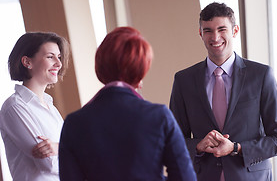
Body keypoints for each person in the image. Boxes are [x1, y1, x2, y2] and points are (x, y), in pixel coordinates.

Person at [169, 2, 277, 181]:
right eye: (208, 30)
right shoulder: (183, 80)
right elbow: (173, 140)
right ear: (200, 34)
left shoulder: (261, 76)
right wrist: (198, 146)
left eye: (222, 29)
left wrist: (236, 148)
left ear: (235, 31)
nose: (215, 37)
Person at [58, 27, 196, 181]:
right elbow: (185, 178)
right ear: (141, 71)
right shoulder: (159, 116)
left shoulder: (74, 123)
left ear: (99, 67)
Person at [0, 32, 70, 181]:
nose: (59, 63)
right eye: (50, 57)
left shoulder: (50, 107)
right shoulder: (14, 107)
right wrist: (72, 150)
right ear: (27, 62)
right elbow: (49, 164)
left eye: (59, 57)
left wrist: (58, 148)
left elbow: (64, 154)